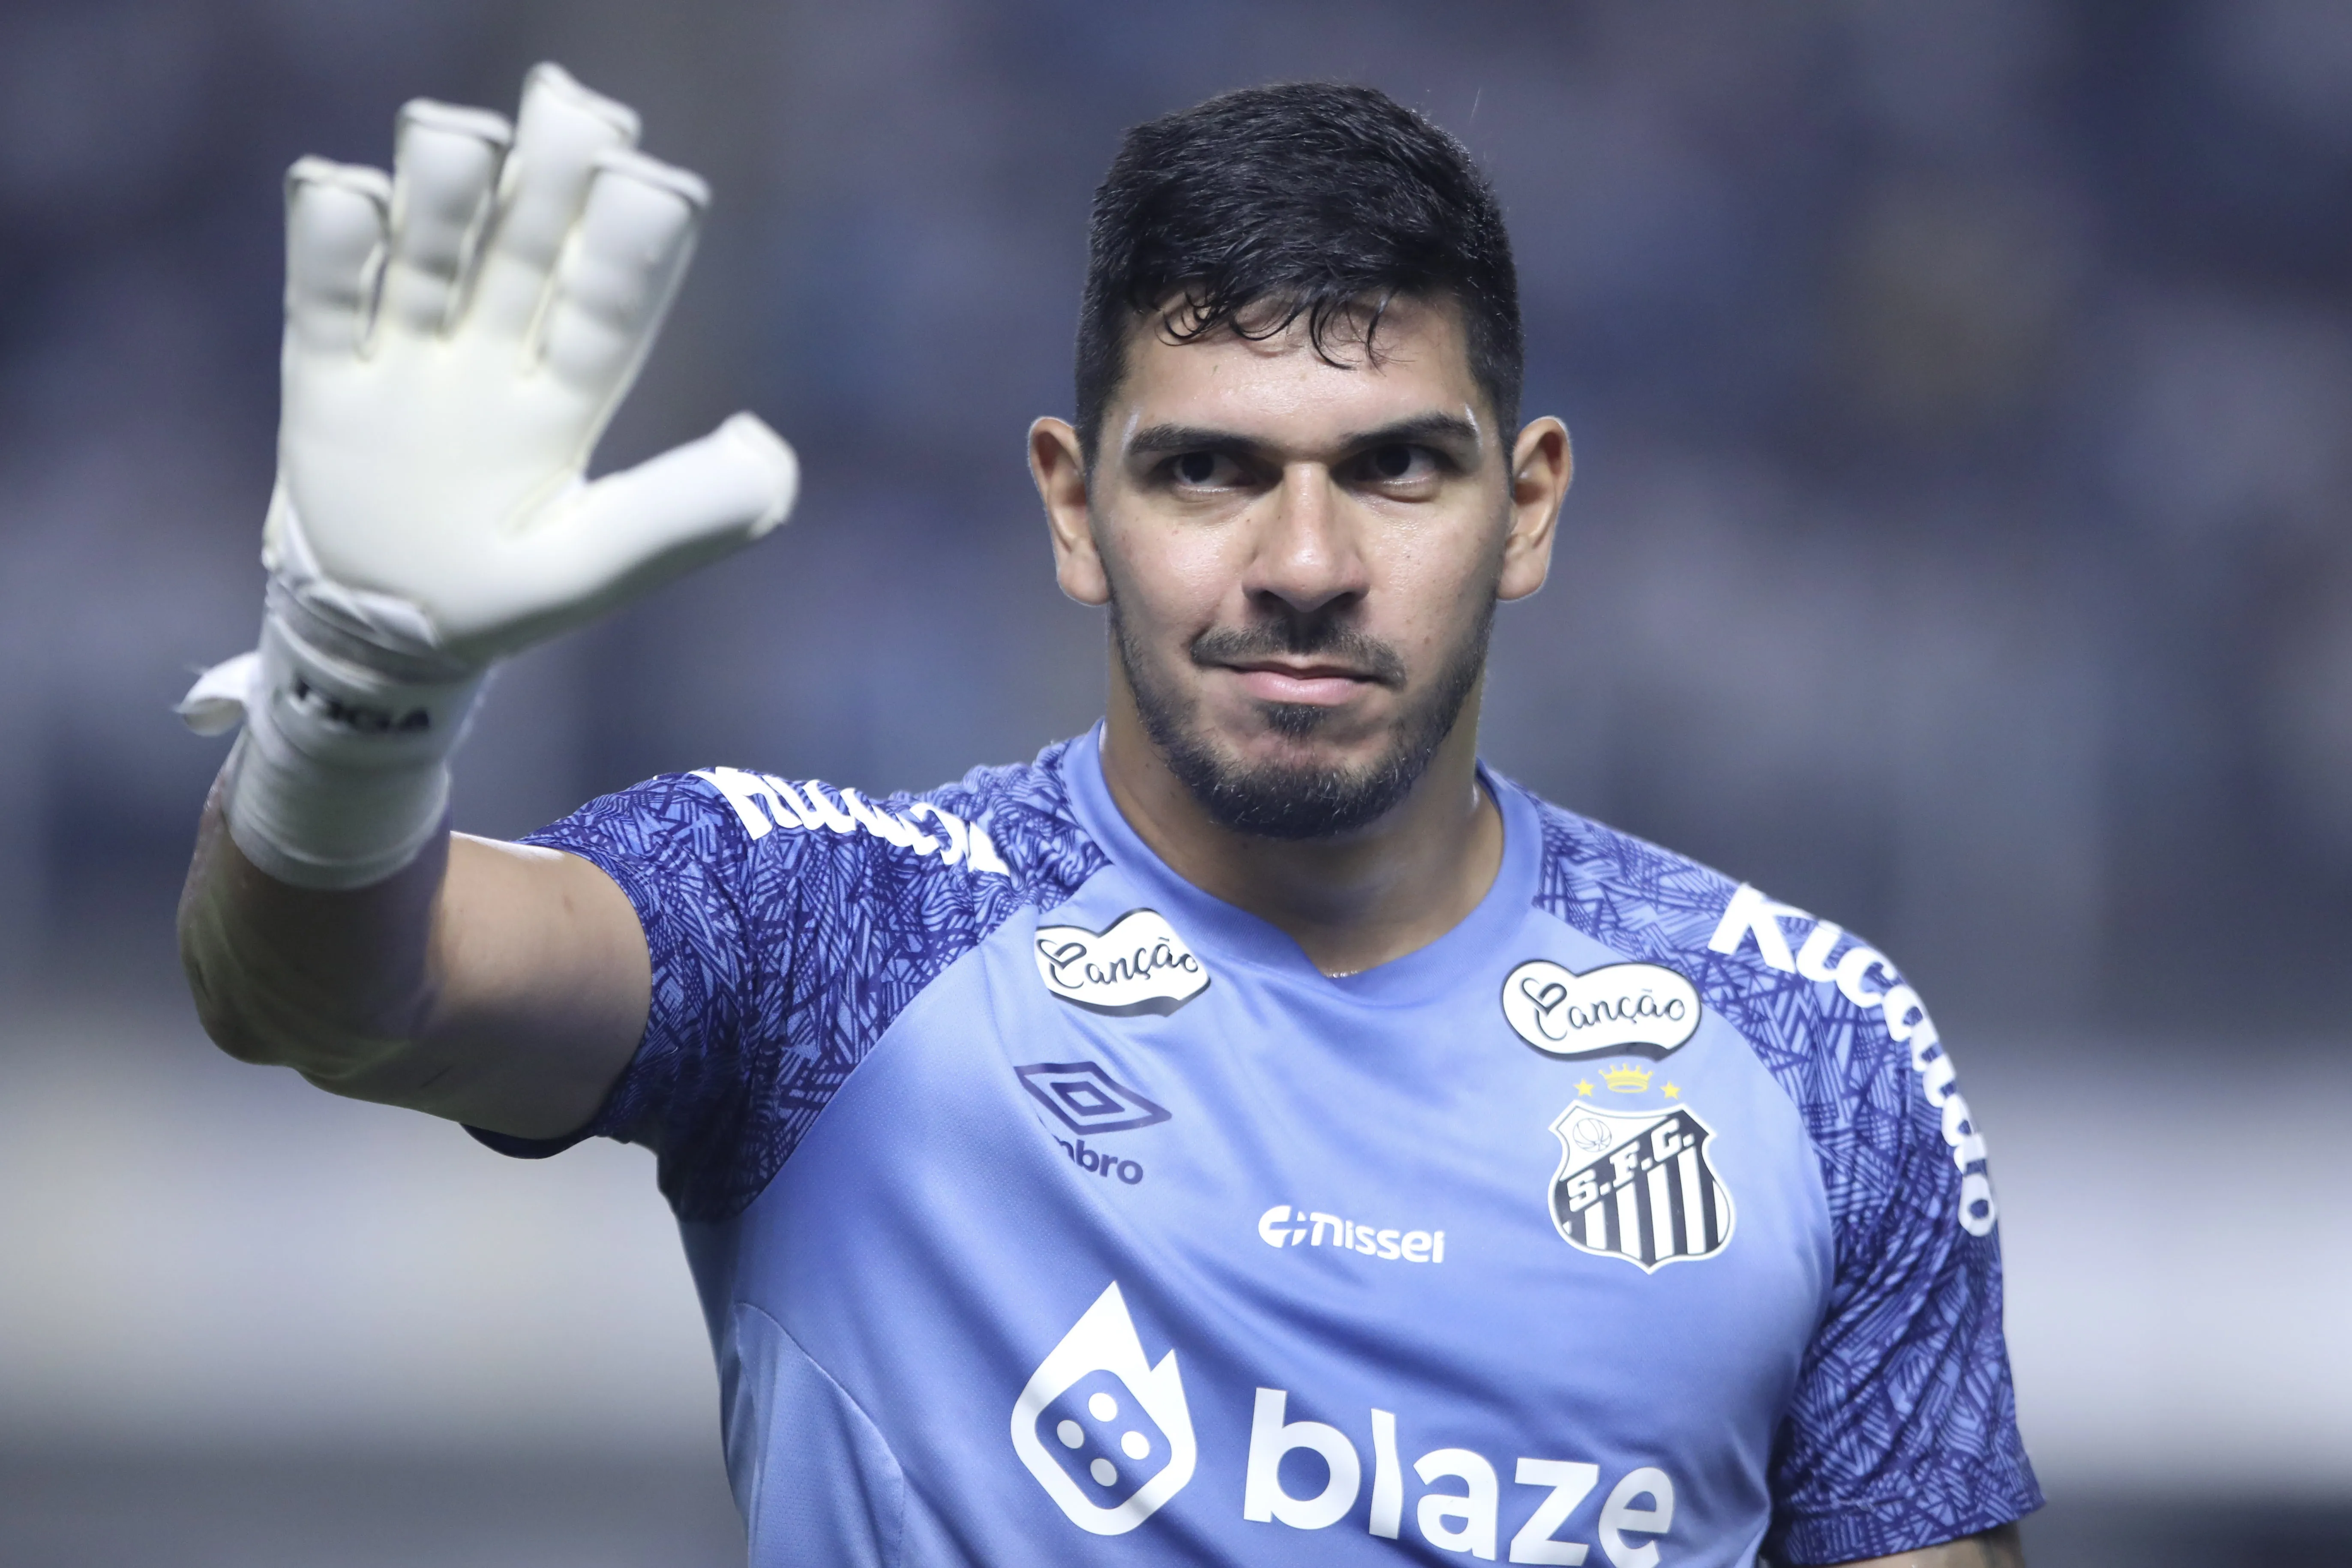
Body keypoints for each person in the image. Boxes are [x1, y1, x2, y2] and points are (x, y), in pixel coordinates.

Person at [177, 63, 2040, 1568]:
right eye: (1207, 469)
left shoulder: (1812, 1050)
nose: (1303, 561)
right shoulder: (837, 937)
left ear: (1528, 502)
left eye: (1395, 467)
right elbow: (324, 992)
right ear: (1073, 506)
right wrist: (354, 707)